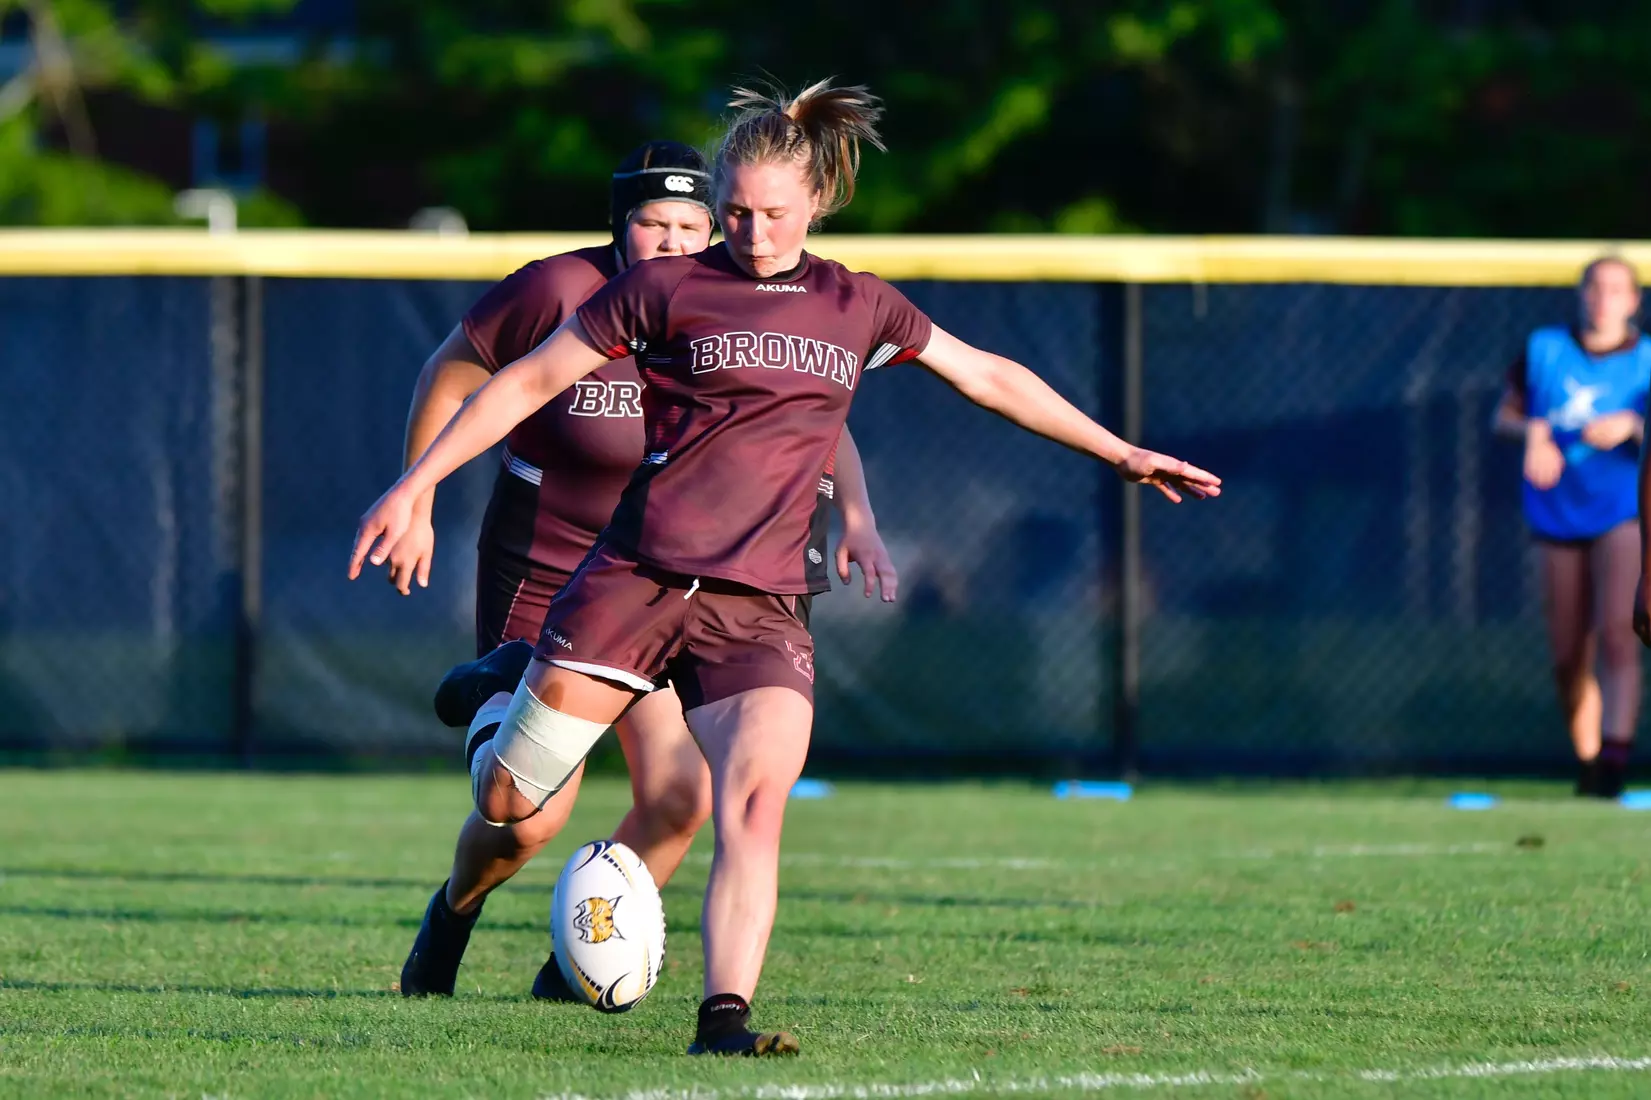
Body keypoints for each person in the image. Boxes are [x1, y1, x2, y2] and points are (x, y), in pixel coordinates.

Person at [350, 79, 1219, 1056]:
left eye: (772, 213)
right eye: (734, 212)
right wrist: (416, 485)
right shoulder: (661, 289)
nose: (752, 233)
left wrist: (1118, 451)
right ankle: (504, 684)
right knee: (513, 807)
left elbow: (983, 374)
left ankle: (722, 1018)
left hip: (758, 607)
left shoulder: (857, 302)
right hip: (634, 582)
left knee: (748, 805)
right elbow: (527, 379)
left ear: (818, 203)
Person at [388, 140, 898, 1001]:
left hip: (657, 574)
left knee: (680, 797)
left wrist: (857, 511)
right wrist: (417, 496)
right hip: (547, 568)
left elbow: (814, 411)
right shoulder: (557, 290)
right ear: (618, 225)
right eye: (653, 223)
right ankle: (454, 914)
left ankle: (572, 969)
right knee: (528, 819)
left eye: (691, 225)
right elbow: (455, 375)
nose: (672, 241)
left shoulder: (735, 297)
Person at [1496, 256, 1649, 798]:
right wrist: (1535, 433)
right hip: (1556, 513)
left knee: (1618, 633)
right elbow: (1505, 416)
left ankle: (1614, 760)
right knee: (1567, 654)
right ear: (1581, 294)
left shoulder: (1646, 360)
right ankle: (1588, 762)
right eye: (1595, 287)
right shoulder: (1545, 350)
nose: (1604, 298)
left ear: (1634, 301)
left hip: (1621, 511)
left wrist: (1635, 424)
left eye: (1616, 289)